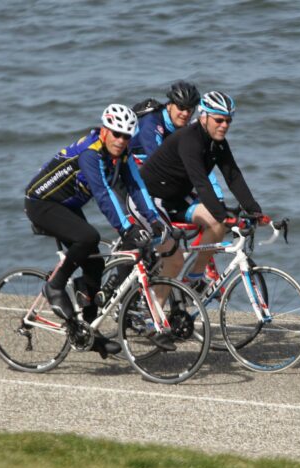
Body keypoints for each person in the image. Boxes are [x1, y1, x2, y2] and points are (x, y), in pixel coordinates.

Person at [24, 104, 164, 357]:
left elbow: (136, 186)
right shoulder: (91, 153)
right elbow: (103, 194)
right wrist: (127, 229)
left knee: (94, 264)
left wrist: (154, 220)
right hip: (41, 203)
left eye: (126, 136)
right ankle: (55, 286)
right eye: (116, 133)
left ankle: (89, 332)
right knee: (89, 237)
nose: (121, 140)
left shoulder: (122, 154)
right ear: (104, 130)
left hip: (66, 205)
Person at [136, 90, 270, 292]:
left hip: (176, 198)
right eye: (219, 120)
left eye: (228, 121)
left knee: (216, 224)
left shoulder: (218, 144)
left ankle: (194, 278)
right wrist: (222, 213)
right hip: (150, 199)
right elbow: (200, 182)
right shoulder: (189, 140)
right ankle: (153, 316)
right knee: (175, 261)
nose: (224, 125)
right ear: (204, 116)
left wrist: (255, 210)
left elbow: (233, 176)